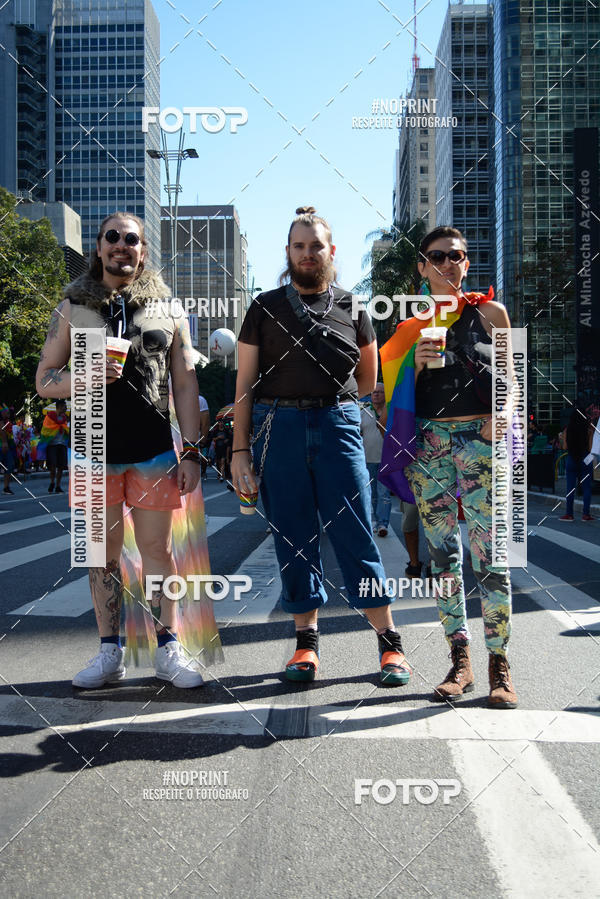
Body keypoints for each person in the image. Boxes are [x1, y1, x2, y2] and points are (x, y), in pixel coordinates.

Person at [36, 210, 221, 689]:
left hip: (153, 450)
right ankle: (109, 651)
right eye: (112, 237)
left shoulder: (167, 308)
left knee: (159, 550)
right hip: (92, 448)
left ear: (143, 250)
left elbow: (185, 383)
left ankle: (167, 649)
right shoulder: (73, 306)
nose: (122, 244)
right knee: (101, 553)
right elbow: (45, 381)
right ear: (98, 247)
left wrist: (192, 452)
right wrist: (86, 376)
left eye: (131, 239)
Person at [230, 206, 410, 686]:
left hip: (337, 425)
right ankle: (305, 645)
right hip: (279, 427)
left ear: (331, 251)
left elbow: (367, 379)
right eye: (299, 246)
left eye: (315, 246)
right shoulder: (264, 307)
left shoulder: (354, 307)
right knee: (293, 538)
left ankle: (390, 645)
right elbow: (244, 385)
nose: (307, 253)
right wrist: (240, 451)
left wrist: (336, 408)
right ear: (288, 252)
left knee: (356, 533)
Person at [380, 225, 517, 708]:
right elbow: (386, 400)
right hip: (430, 444)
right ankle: (460, 660)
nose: (447, 264)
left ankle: (499, 664)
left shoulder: (493, 313)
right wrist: (414, 366)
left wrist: (501, 417)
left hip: (480, 440)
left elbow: (512, 378)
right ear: (422, 267)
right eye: (436, 256)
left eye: (455, 256)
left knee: (491, 556)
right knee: (443, 557)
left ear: (466, 263)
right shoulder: (410, 328)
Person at [360, 383, 392, 537]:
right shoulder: (363, 412)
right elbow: (357, 434)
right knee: (372, 494)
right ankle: (378, 522)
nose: (376, 394)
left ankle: (382, 524)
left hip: (386, 460)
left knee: (384, 493)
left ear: (386, 395)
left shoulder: (390, 413)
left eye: (380, 392)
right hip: (368, 459)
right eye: (374, 392)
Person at [559, 407, 595, 522]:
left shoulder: (567, 429)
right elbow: (590, 448)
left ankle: (569, 514)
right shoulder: (588, 429)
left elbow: (564, 447)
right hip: (585, 459)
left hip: (572, 459)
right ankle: (586, 515)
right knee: (586, 488)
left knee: (570, 488)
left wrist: (562, 438)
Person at [38, 399, 69, 492]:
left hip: (62, 444)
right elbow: (45, 429)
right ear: (59, 407)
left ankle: (58, 486)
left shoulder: (64, 418)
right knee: (53, 465)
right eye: (65, 407)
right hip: (52, 445)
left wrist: (65, 430)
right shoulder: (49, 417)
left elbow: (66, 428)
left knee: (61, 466)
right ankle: (52, 482)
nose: (66, 408)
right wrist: (56, 429)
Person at [1, 405, 17, 494]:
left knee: (10, 465)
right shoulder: (2, 422)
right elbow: (2, 430)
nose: (8, 413)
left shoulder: (8, 422)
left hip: (7, 447)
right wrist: (4, 442)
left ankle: (6, 487)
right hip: (3, 446)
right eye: (6, 412)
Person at [198, 393, 210, 480]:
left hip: (194, 440)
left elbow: (205, 424)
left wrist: (202, 441)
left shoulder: (200, 400)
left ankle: (203, 471)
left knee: (203, 457)